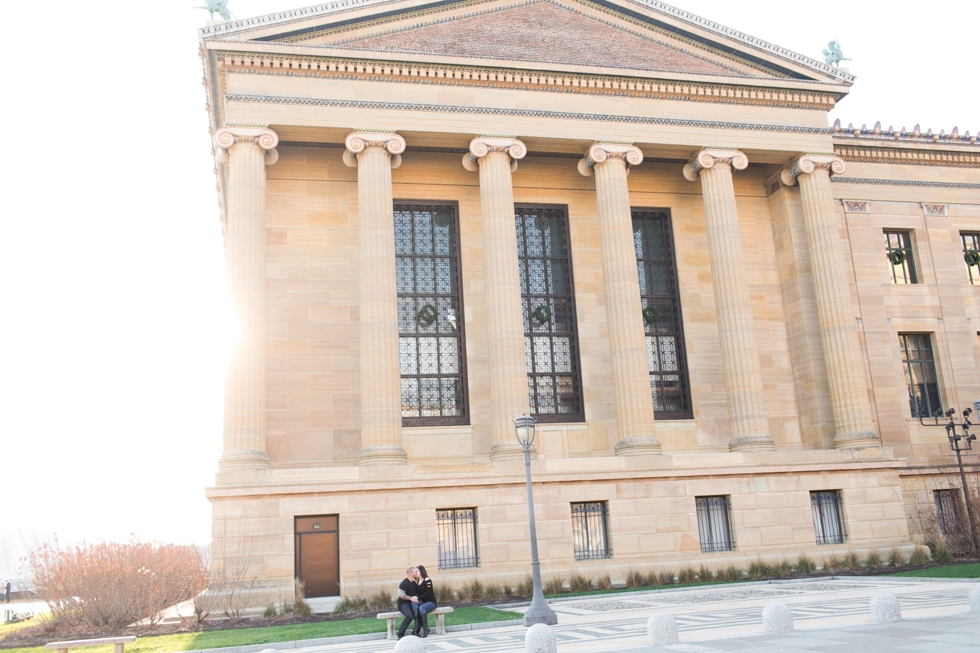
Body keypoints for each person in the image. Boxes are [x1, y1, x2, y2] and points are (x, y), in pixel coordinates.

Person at [395, 566, 419, 639]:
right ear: (411, 574)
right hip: (403, 604)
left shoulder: (414, 583)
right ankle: (399, 635)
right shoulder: (404, 583)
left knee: (418, 614)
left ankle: (415, 632)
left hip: (410, 603)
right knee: (409, 616)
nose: (416, 573)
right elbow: (400, 594)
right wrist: (410, 598)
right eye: (415, 572)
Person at [414, 565, 437, 638]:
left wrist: (417, 597)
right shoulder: (417, 581)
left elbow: (428, 593)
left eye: (417, 571)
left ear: (421, 571)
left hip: (431, 602)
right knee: (414, 605)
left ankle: (425, 629)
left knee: (421, 608)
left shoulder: (427, 579)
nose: (415, 572)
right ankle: (416, 629)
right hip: (422, 602)